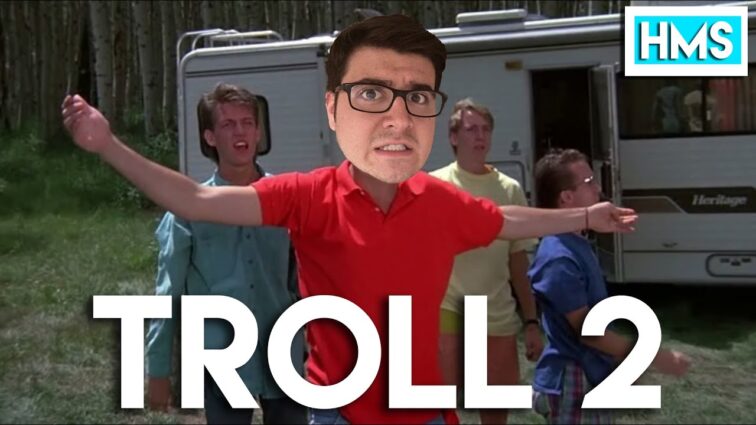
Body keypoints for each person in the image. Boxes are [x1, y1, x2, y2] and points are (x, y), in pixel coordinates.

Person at [61, 14, 637, 425]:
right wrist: (108, 145)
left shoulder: (437, 201)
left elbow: (505, 219)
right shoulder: (309, 196)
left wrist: (586, 213)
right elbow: (195, 201)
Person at [143, 83, 307, 424]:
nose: (240, 132)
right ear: (210, 137)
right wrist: (157, 370)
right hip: (222, 358)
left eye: (247, 123)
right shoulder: (188, 210)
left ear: (258, 132)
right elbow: (168, 292)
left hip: (283, 351)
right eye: (228, 124)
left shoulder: (289, 199)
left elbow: (308, 278)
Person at [528, 148, 691, 424]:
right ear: (566, 197)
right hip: (572, 382)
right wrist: (655, 357)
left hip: (587, 375)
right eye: (589, 182)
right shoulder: (558, 257)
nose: (598, 189)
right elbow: (590, 333)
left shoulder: (575, 243)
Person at [430, 98, 543, 425]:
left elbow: (518, 262)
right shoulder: (435, 187)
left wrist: (531, 321)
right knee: (441, 409)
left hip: (498, 314)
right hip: (449, 310)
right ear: (454, 137)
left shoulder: (509, 189)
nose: (480, 136)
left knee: (495, 414)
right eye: (471, 129)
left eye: (485, 129)